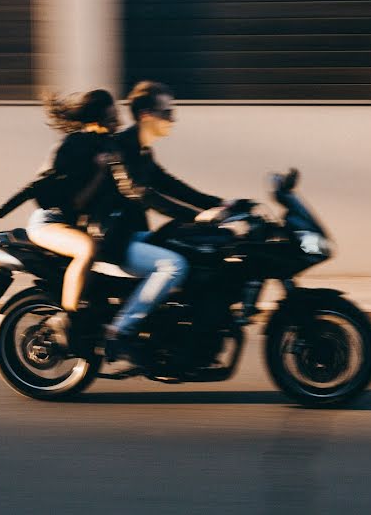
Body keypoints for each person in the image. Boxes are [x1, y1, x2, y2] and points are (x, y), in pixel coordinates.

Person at [103, 81, 227, 356]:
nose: (173, 118)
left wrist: (219, 203)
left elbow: (169, 184)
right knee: (174, 265)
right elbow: (142, 193)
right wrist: (197, 216)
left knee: (195, 254)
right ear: (147, 115)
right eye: (167, 112)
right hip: (115, 240)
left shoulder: (143, 150)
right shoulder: (121, 148)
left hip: (131, 235)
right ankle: (119, 331)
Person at [26, 89, 119, 323]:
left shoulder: (104, 147)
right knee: (87, 250)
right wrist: (100, 171)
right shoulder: (76, 146)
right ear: (98, 120)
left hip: (72, 224)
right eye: (112, 118)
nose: (118, 123)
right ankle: (68, 320)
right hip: (50, 222)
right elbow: (75, 202)